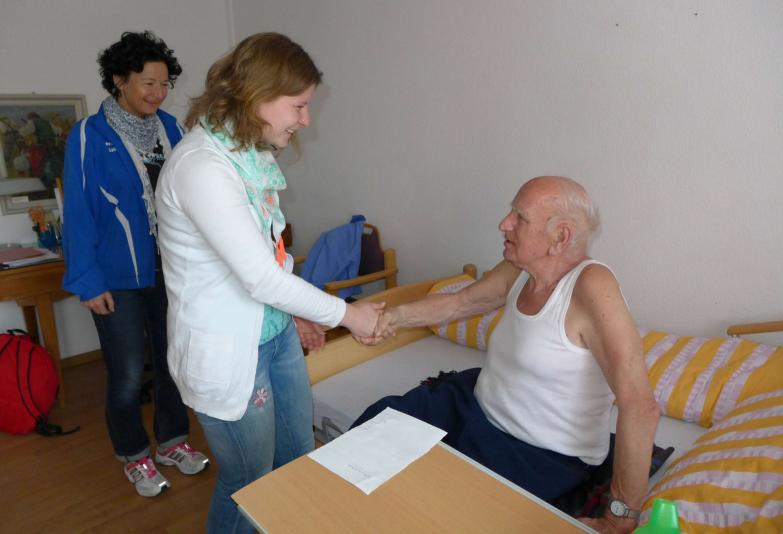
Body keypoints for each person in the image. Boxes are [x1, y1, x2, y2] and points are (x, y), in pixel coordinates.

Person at [154, 32, 382, 533]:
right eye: (298, 106)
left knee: (296, 460)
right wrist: (350, 315)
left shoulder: (250, 155)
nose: (306, 120)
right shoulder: (202, 168)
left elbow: (270, 255)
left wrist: (295, 312)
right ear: (257, 95)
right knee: (251, 482)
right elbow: (259, 277)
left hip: (273, 335)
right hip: (230, 352)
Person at [356, 176, 660, 534]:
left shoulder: (592, 286)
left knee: (429, 507)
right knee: (373, 430)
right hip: (474, 407)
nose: (504, 223)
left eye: (520, 217)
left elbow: (640, 405)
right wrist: (392, 317)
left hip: (536, 452)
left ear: (560, 236)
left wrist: (620, 516)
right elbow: (460, 303)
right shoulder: (521, 268)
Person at [62, 31, 208, 498]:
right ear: (119, 80)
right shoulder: (89, 135)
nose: (159, 93)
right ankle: (133, 454)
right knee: (126, 375)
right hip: (116, 279)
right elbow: (79, 211)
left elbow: (191, 199)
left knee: (172, 364)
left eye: (165, 84)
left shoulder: (172, 130)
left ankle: (173, 442)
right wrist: (88, 281)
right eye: (148, 83)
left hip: (172, 271)